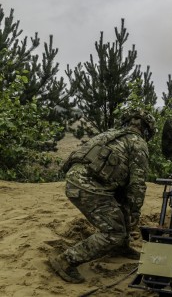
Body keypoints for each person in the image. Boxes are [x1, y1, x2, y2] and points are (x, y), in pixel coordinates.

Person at [49, 108, 155, 284]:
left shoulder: (110, 134)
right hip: (89, 187)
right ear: (146, 129)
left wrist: (128, 209)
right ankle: (66, 260)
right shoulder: (138, 143)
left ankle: (120, 248)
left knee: (121, 208)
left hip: (77, 181)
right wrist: (135, 212)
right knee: (114, 232)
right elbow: (137, 184)